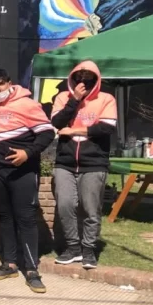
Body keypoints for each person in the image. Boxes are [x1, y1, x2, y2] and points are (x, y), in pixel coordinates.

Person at [0, 69, 55, 293]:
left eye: (1, 84)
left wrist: (28, 153)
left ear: (9, 83)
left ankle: (32, 270)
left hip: (22, 171)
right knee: (4, 217)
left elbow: (46, 133)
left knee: (26, 218)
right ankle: (10, 264)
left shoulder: (27, 104)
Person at [51, 61, 117, 270]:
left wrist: (73, 131)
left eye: (88, 76)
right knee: (65, 204)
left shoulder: (107, 99)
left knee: (91, 208)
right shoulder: (63, 97)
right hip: (65, 162)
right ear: (72, 78)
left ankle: (88, 249)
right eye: (79, 76)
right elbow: (57, 122)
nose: (83, 80)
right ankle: (73, 247)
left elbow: (105, 128)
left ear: (96, 79)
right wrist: (75, 100)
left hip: (94, 163)